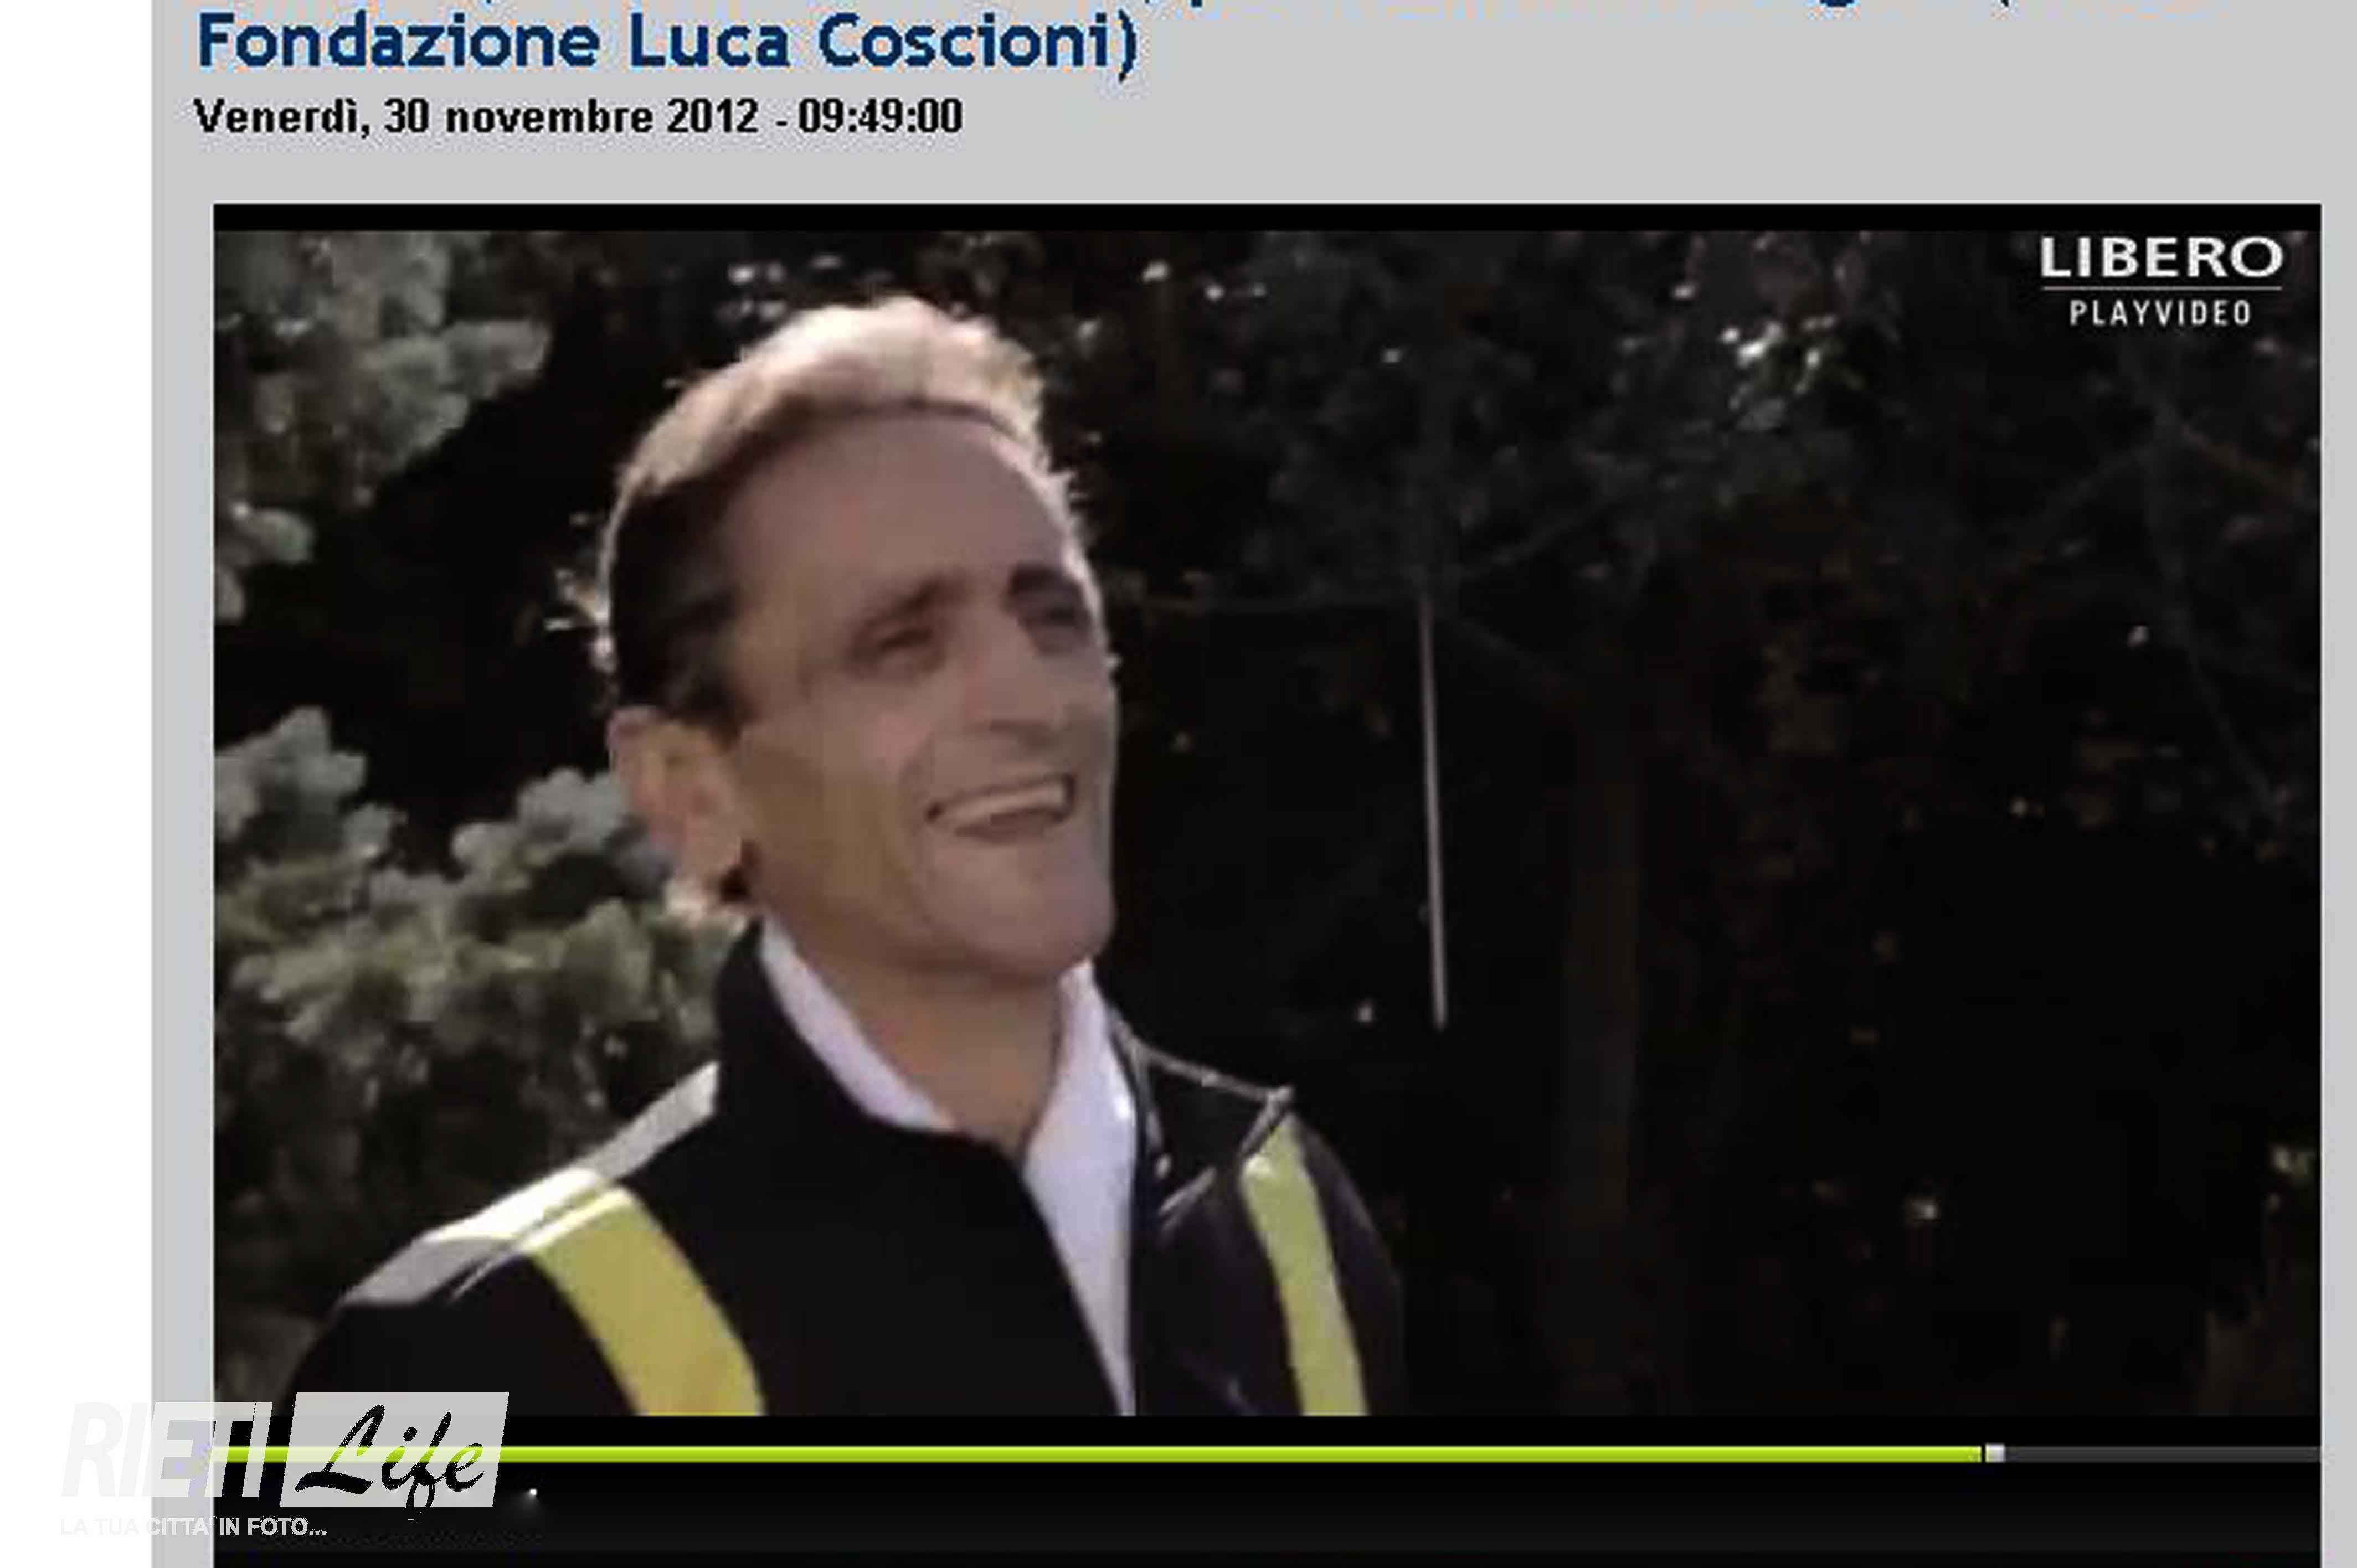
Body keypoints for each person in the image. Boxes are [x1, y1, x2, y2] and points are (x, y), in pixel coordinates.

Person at [284, 297, 1404, 1416]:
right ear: (691, 786)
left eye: (1054, 615)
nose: (1028, 696)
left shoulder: (1285, 1218)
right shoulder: (448, 1359)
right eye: (902, 644)